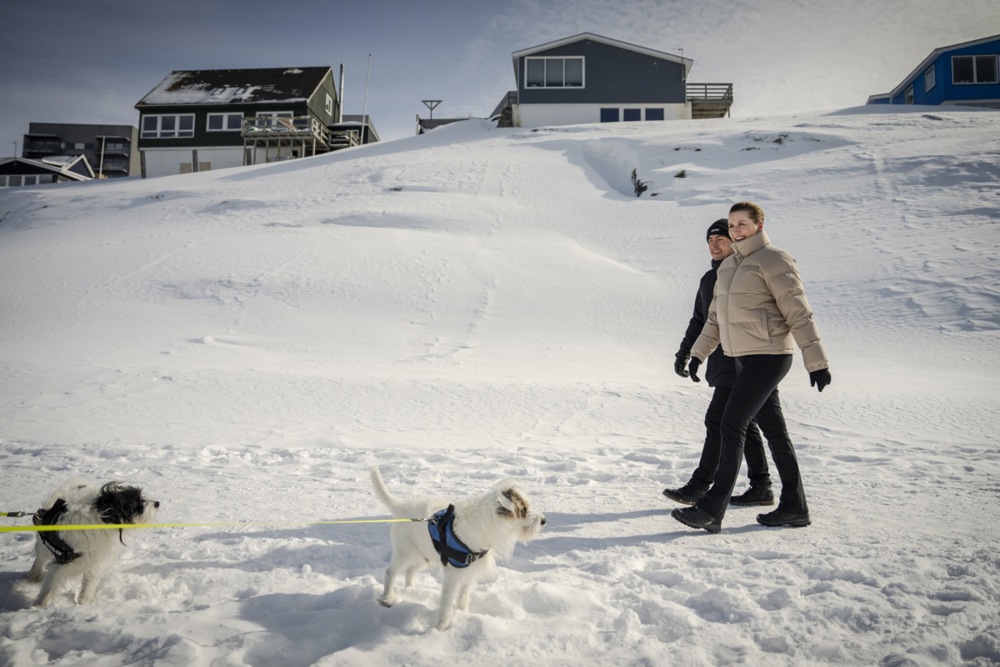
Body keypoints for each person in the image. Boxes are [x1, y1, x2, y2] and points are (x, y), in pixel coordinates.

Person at [672, 202, 831, 533]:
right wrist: (698, 354)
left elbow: (798, 311)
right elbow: (715, 320)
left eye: (742, 224)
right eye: (732, 225)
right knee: (775, 433)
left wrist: (816, 361)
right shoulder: (729, 266)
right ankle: (795, 507)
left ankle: (712, 509)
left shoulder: (774, 260)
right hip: (742, 357)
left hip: (770, 356)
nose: (736, 230)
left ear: (759, 225)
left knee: (731, 424)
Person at [663, 219, 774, 507]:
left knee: (718, 420)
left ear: (734, 242)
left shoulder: (742, 274)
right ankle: (761, 486)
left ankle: (701, 485)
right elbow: (700, 320)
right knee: (744, 424)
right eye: (710, 241)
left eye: (720, 239)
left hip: (742, 357)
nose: (714, 245)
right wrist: (684, 353)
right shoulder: (708, 279)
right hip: (721, 359)